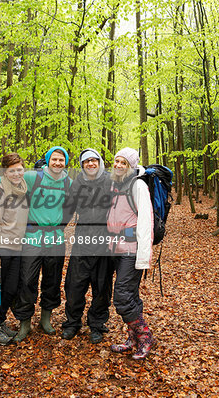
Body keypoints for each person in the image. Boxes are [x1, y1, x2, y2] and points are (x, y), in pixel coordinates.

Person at [13, 146, 71, 342]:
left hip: (55, 238)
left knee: (52, 280)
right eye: (54, 159)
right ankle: (25, 323)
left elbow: (71, 207)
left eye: (61, 160)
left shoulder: (68, 183)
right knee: (27, 279)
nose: (57, 163)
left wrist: (60, 226)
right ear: (48, 160)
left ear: (66, 162)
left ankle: (46, 320)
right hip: (32, 236)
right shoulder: (32, 177)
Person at [107, 147, 155, 360]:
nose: (118, 165)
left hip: (132, 250)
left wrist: (144, 257)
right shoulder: (116, 184)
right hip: (116, 248)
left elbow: (146, 222)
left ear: (131, 166)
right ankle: (132, 338)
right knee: (131, 294)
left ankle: (145, 336)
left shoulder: (138, 185)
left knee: (122, 296)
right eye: (116, 161)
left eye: (123, 163)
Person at [61, 149, 113, 343]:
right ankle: (72, 323)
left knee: (102, 286)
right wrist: (56, 229)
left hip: (105, 241)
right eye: (86, 162)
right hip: (82, 239)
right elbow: (68, 208)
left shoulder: (110, 180)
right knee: (74, 284)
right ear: (82, 165)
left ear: (99, 162)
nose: (90, 164)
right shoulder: (78, 182)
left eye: (93, 160)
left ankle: (97, 324)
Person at [0, 153, 29, 346]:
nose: (17, 173)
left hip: (14, 247)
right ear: (5, 172)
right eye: (12, 170)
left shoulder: (23, 187)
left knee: (9, 290)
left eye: (19, 169)